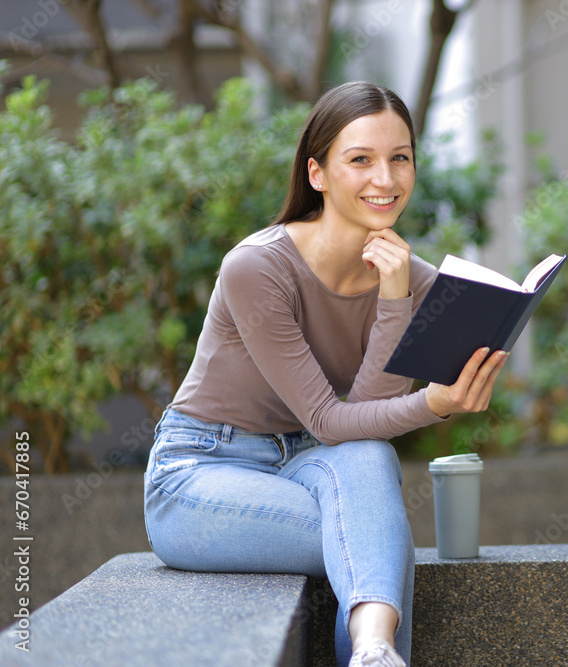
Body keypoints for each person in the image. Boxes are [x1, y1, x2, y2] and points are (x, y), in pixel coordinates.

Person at [143, 81, 508, 667]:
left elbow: (356, 428)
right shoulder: (257, 267)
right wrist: (430, 399)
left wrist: (413, 304)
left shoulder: (407, 276)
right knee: (376, 533)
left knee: (369, 466)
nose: (384, 180)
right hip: (200, 473)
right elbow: (329, 418)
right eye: (360, 160)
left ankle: (372, 652)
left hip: (309, 462)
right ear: (317, 174)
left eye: (400, 159)